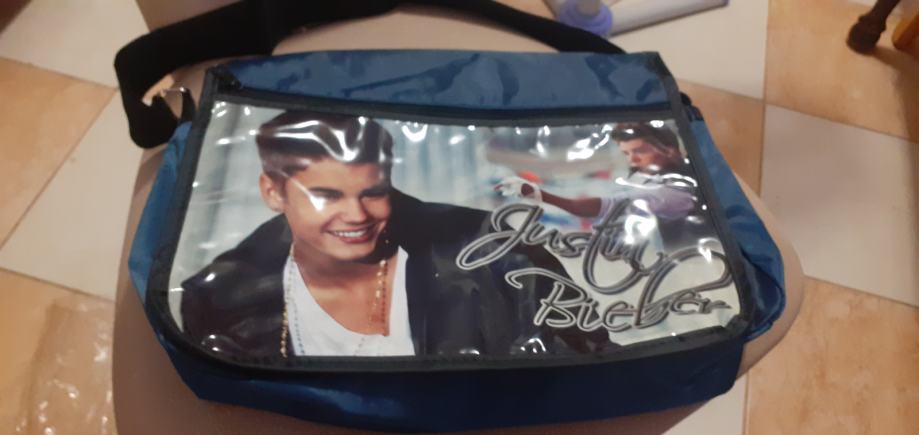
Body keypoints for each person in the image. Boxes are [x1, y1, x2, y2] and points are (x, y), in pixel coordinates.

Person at [180, 110, 607, 359]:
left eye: (374, 192)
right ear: (273, 192)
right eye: (326, 196)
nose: (356, 216)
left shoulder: (491, 250)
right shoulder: (220, 298)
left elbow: (589, 358)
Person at [496, 122, 704, 251]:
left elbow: (603, 205)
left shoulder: (673, 193)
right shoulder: (650, 179)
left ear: (669, 150)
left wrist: (540, 195)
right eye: (627, 153)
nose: (632, 160)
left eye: (640, 151)